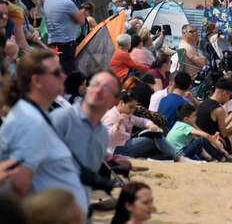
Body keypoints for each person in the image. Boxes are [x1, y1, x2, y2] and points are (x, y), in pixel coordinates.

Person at [0, 50, 87, 213]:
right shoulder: (30, 122)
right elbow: (19, 185)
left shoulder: (33, 114)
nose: (63, 76)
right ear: (37, 80)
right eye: (56, 73)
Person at [51, 71, 121, 207]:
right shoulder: (62, 118)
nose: (98, 90)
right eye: (95, 84)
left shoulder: (102, 134)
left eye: (106, 88)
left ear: (114, 100)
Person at [103, 91, 178, 160]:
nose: (132, 110)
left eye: (134, 108)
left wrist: (151, 125)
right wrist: (117, 125)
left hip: (125, 144)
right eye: (130, 107)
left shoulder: (127, 114)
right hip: (115, 149)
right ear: (122, 103)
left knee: (155, 137)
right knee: (154, 137)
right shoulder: (111, 116)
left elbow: (142, 121)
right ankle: (177, 156)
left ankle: (174, 155)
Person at [43, 0, 84, 76]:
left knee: (56, 73)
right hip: (66, 44)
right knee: (66, 74)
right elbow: (81, 21)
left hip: (52, 43)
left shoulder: (47, 0)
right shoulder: (66, 2)